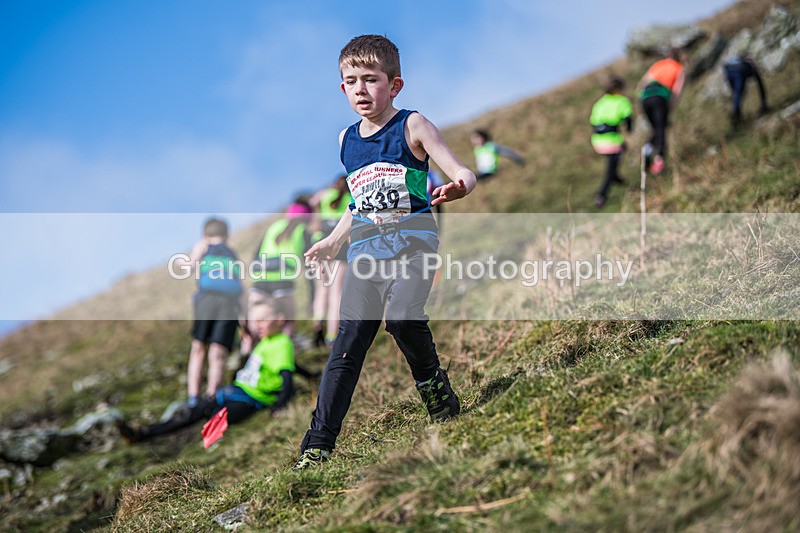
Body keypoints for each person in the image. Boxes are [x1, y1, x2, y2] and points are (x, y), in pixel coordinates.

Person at [292, 34, 478, 469]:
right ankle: (317, 446)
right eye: (351, 81)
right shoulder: (346, 140)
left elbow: (460, 168)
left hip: (415, 244)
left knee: (401, 319)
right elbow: (358, 202)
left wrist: (461, 186)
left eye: (370, 80)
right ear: (342, 88)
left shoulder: (412, 125)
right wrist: (333, 241)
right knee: (346, 347)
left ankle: (435, 389)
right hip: (366, 254)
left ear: (394, 85)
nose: (360, 89)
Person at [118, 300, 295, 443]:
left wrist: (279, 406)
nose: (258, 326)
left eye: (263, 320)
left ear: (279, 319)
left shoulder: (282, 343)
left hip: (250, 400)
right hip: (234, 391)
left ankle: (148, 436)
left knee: (208, 417)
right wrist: (311, 375)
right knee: (195, 412)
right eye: (256, 321)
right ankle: (144, 434)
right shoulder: (266, 342)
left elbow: (287, 374)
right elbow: (291, 365)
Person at [183, 218, 243, 409]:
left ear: (205, 234)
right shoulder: (227, 252)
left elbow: (187, 268)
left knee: (201, 348)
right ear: (227, 235)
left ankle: (200, 397)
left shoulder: (220, 251)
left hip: (211, 301)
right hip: (225, 302)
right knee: (217, 350)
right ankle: (206, 395)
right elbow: (240, 285)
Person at [247, 200, 313, 339]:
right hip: (283, 281)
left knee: (258, 320)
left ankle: (250, 351)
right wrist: (312, 296)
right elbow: (310, 265)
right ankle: (285, 349)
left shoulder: (273, 227)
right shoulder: (303, 231)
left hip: (260, 280)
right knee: (288, 322)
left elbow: (255, 255)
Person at [309, 176, 352, 347]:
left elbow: (313, 200)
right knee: (336, 293)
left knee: (321, 289)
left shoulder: (325, 194)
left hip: (321, 241)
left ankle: (318, 319)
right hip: (339, 245)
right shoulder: (350, 198)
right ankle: (331, 336)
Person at [638, 48, 686, 175]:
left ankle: (648, 148)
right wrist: (670, 106)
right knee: (661, 129)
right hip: (660, 97)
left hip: (646, 97)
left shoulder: (658, 64)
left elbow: (643, 82)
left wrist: (641, 98)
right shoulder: (679, 68)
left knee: (656, 129)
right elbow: (677, 90)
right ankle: (659, 162)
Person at [590, 77, 633, 207]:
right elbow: (628, 119)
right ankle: (601, 195)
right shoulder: (622, 101)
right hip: (612, 141)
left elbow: (593, 122)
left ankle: (617, 177)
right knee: (610, 169)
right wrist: (629, 130)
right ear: (619, 89)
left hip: (597, 141)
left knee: (614, 160)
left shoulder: (599, 103)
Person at [723, 55, 768, 126]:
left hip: (728, 69)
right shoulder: (752, 68)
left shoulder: (743, 61)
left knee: (737, 94)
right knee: (738, 93)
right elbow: (760, 86)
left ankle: (737, 115)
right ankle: (736, 115)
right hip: (738, 70)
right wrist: (763, 103)